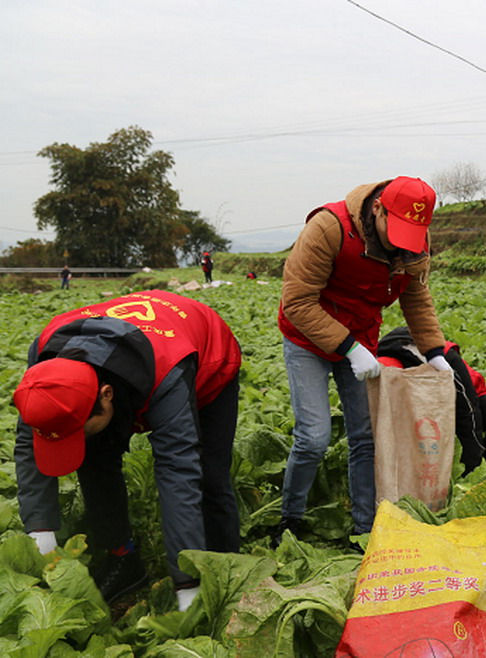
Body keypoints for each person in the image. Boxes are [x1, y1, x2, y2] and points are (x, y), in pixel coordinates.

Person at [13, 291, 242, 611]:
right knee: (93, 454)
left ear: (107, 395)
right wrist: (40, 526)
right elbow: (29, 441)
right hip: (122, 354)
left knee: (209, 476)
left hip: (203, 356)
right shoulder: (44, 364)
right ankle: (123, 558)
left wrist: (186, 581)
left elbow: (178, 470)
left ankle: (223, 570)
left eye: (78, 429)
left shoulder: (168, 372)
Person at [276, 176, 451, 545]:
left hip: (362, 338)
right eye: (397, 230)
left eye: (412, 235)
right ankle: (289, 518)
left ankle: (364, 530)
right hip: (307, 338)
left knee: (366, 436)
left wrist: (434, 350)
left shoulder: (415, 243)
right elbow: (297, 302)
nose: (402, 244)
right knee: (313, 437)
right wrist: (349, 347)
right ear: (377, 209)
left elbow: (415, 297)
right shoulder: (328, 228)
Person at [377, 327, 486, 473]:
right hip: (421, 412)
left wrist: (472, 464)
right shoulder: (383, 371)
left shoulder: (445, 358)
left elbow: (468, 412)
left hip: (458, 400)